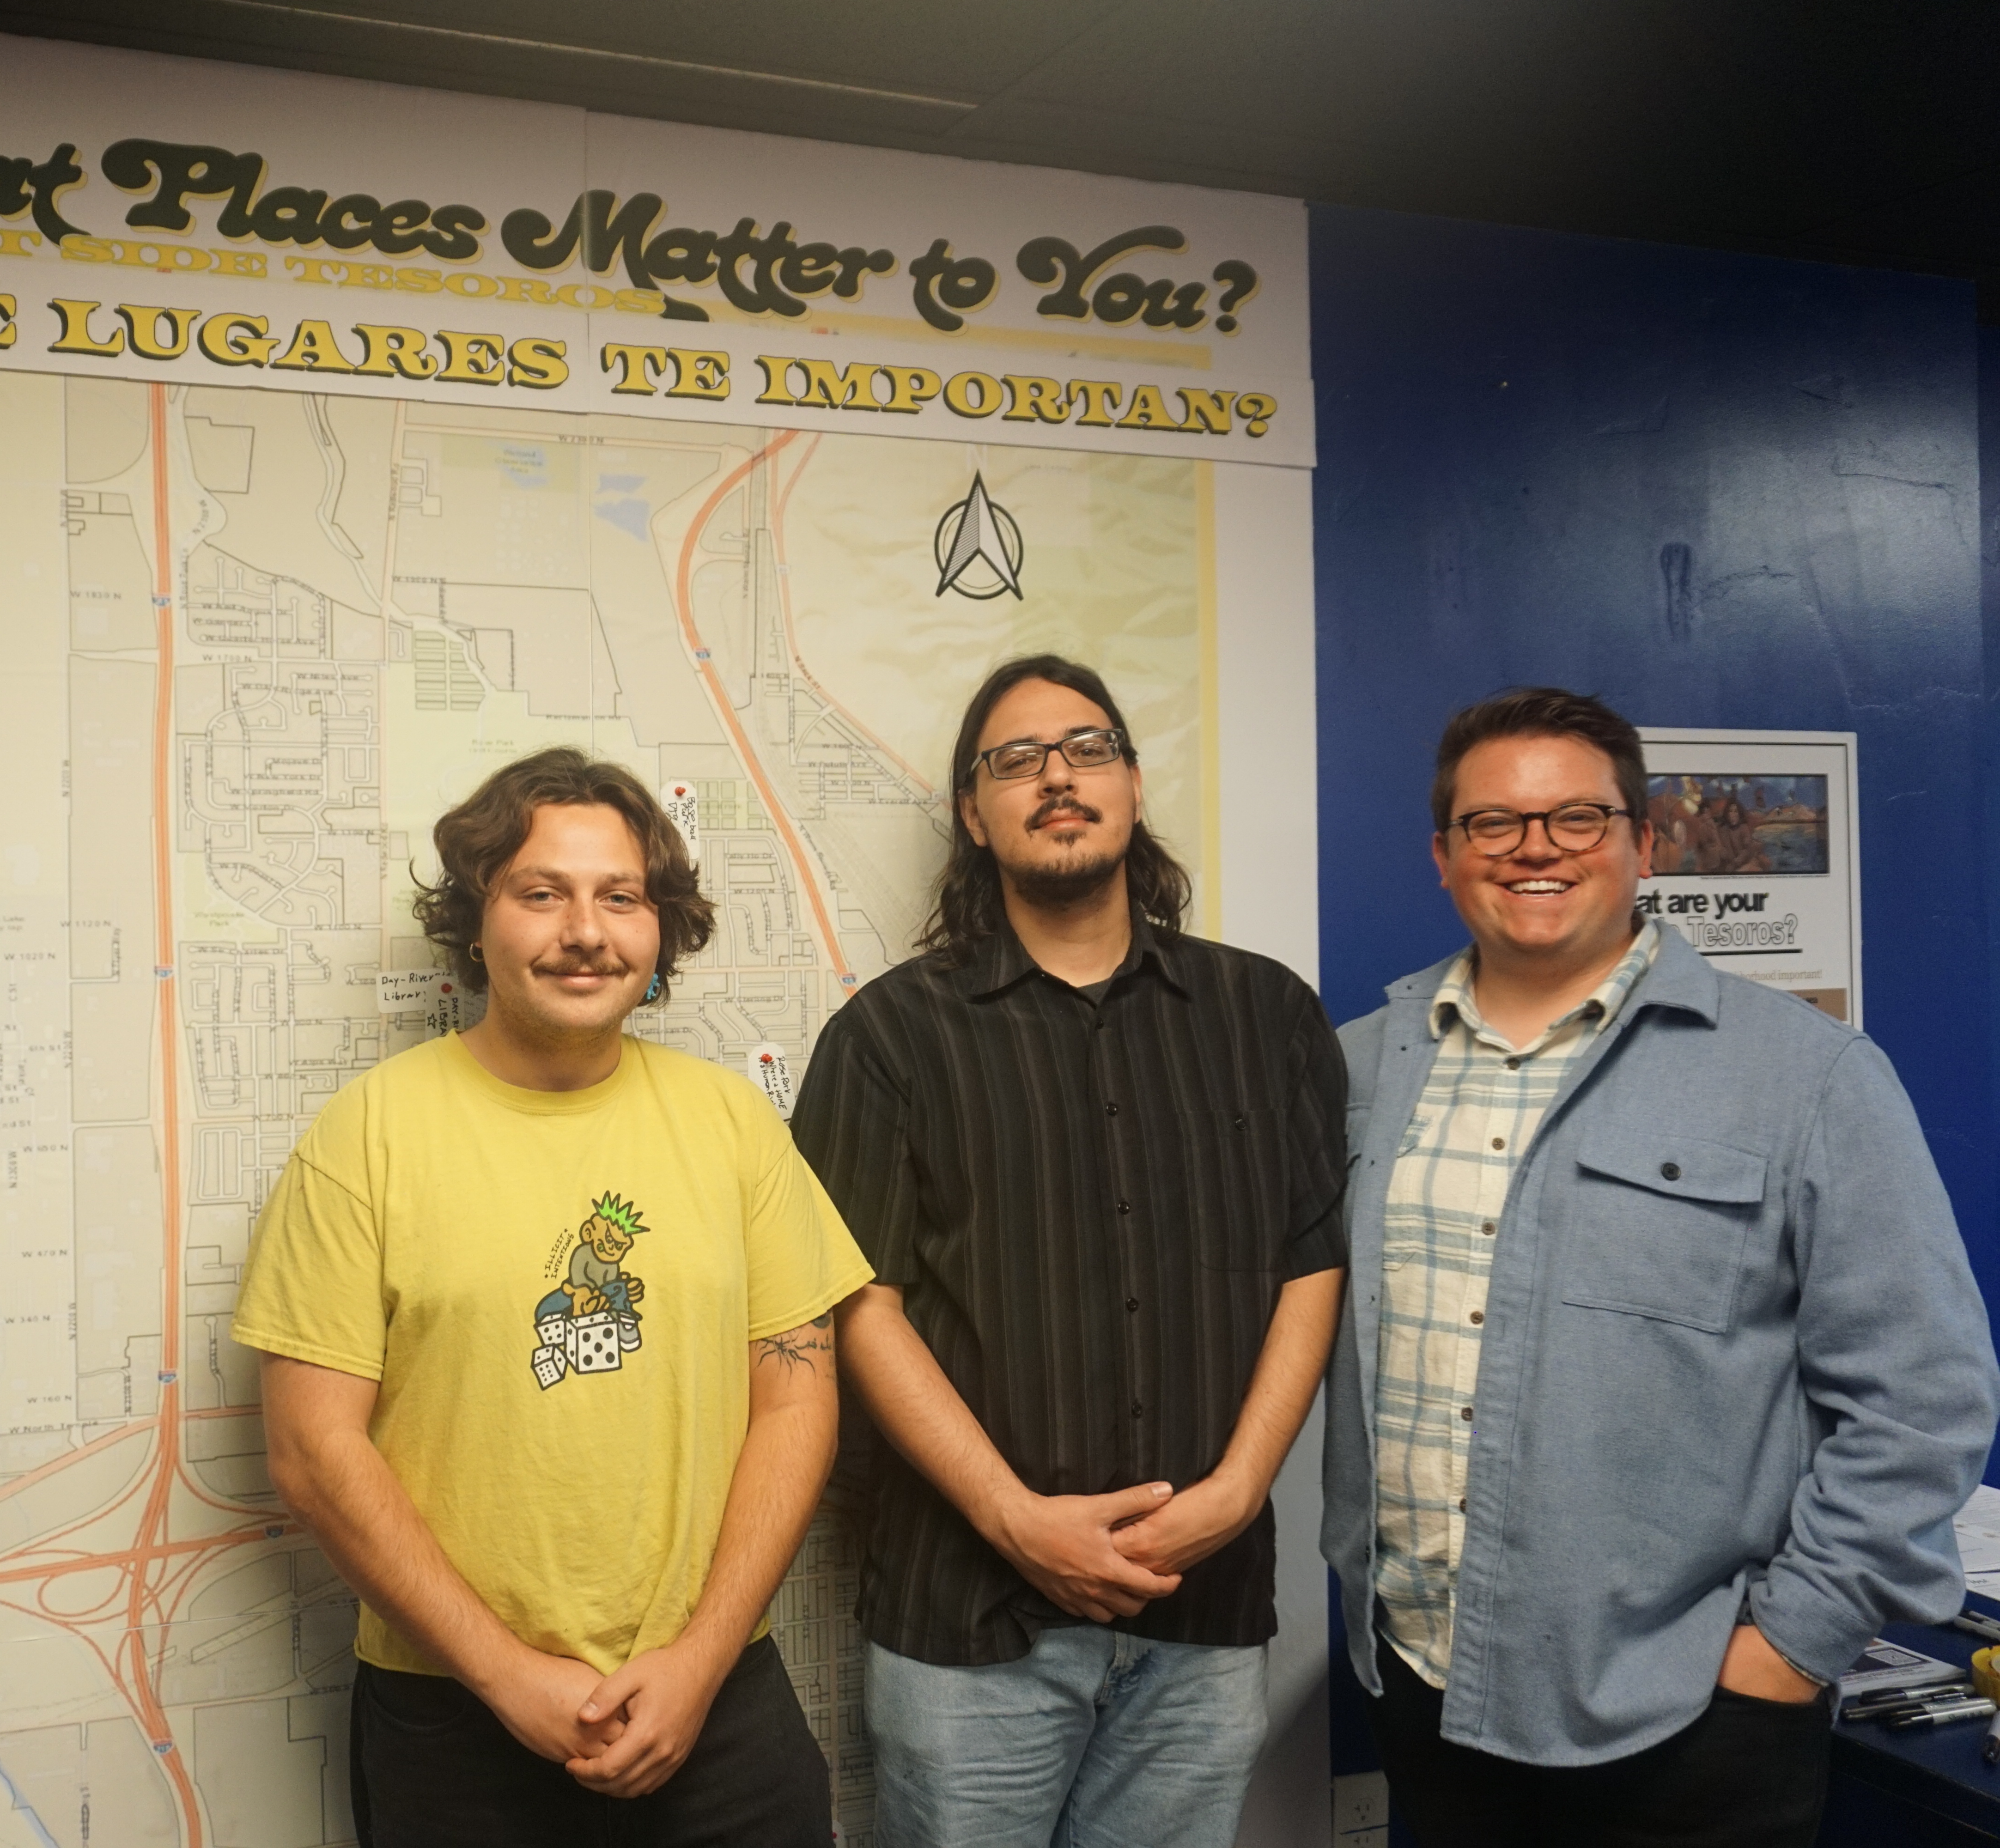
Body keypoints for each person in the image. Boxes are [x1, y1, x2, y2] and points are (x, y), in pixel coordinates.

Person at [1323, 687, 2000, 1846]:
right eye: (1494, 823)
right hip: (1424, 1685)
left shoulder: (1809, 1075)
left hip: (1695, 1721)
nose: (1535, 847)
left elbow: (1924, 1394)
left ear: (1646, 841)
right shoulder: (1360, 1070)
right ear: (1445, 856)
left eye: (1578, 818)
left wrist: (1794, 1643)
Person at [234, 747, 871, 1847]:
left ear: (659, 928)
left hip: (718, 1701)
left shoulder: (733, 1125)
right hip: (454, 1715)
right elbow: (311, 1452)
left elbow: (796, 1395)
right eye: (543, 892)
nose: (587, 930)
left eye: (621, 897)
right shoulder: (367, 1135)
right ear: (474, 922)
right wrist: (508, 1674)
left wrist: (700, 1659)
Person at [793, 655, 1348, 1848]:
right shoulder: (886, 1038)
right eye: (1016, 761)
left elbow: (1312, 1261)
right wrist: (1013, 1520)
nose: (1057, 777)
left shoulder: (1267, 1017)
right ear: (973, 813)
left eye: (1088, 749)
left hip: (1203, 1620)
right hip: (969, 1628)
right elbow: (856, 1304)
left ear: (1134, 788)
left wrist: (1240, 1492)